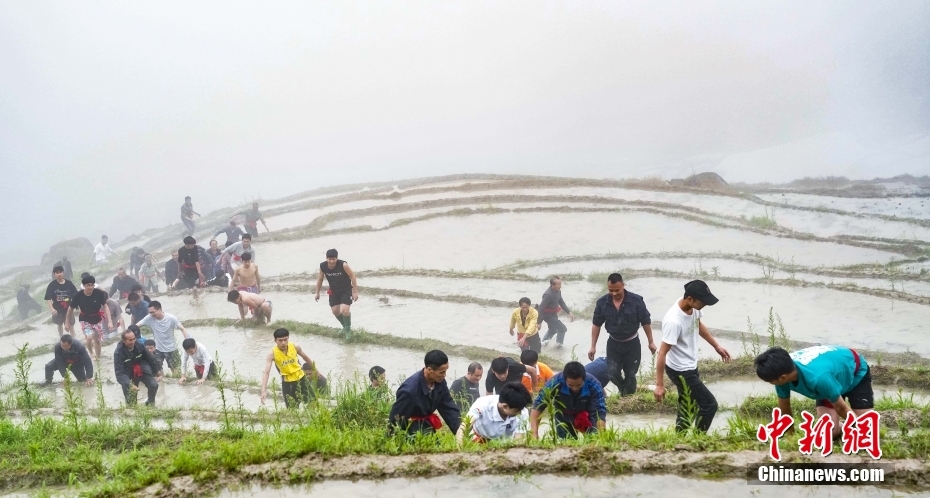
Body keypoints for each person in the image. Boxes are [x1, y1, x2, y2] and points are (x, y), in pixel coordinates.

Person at [654, 280, 730, 433]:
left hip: (690, 365)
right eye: (703, 302)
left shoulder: (691, 308)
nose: (705, 305)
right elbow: (662, 352)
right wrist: (660, 385)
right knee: (709, 405)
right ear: (690, 299)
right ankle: (698, 437)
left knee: (688, 404)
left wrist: (716, 346)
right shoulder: (674, 321)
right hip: (680, 370)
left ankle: (680, 438)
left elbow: (698, 324)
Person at [755, 346, 873, 438]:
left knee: (867, 430)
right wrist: (791, 436)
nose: (770, 383)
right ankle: (840, 427)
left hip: (853, 370)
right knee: (826, 434)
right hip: (829, 376)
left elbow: (841, 408)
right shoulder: (782, 374)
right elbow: (785, 407)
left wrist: (862, 432)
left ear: (783, 378)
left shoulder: (818, 378)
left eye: (769, 381)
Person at [589, 273, 655, 397]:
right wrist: (593, 346)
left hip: (632, 344)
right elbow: (596, 325)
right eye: (610, 290)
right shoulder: (602, 302)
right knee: (612, 374)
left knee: (630, 374)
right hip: (614, 344)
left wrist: (650, 341)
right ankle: (624, 390)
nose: (614, 293)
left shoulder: (636, 301)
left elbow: (646, 322)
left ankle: (627, 397)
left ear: (623, 285)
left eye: (617, 290)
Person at [388, 350, 461, 436]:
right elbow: (395, 419)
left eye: (445, 371)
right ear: (429, 370)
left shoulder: (440, 382)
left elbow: (448, 407)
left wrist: (462, 432)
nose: (445, 375)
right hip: (411, 429)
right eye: (442, 372)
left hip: (426, 425)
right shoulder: (409, 391)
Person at [530, 361, 606, 439]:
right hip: (563, 416)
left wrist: (601, 436)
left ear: (584, 378)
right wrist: (534, 432)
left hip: (588, 415)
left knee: (593, 440)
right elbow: (538, 406)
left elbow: (599, 412)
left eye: (579, 385)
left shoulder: (594, 384)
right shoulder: (554, 382)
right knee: (567, 443)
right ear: (565, 378)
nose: (575, 388)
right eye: (571, 385)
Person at [458, 382, 532, 444]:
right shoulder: (482, 404)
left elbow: (518, 441)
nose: (520, 413)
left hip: (503, 444)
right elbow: (463, 429)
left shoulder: (522, 411)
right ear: (505, 406)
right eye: (517, 411)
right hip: (478, 439)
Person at [259, 328, 317, 408]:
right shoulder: (272, 354)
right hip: (288, 383)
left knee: (313, 402)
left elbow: (305, 357)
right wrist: (263, 390)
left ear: (288, 338)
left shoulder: (295, 346)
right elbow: (266, 372)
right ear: (275, 340)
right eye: (280, 340)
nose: (283, 343)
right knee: (292, 408)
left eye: (285, 339)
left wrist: (316, 370)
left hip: (301, 378)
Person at [135, 300, 192, 376]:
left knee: (176, 372)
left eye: (153, 312)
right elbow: (136, 326)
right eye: (150, 312)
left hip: (171, 349)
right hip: (157, 349)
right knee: (158, 372)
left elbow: (182, 329)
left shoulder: (171, 318)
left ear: (159, 309)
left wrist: (188, 343)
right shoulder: (149, 318)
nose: (151, 314)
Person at [314, 249, 358, 338]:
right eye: (329, 259)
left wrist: (355, 292)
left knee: (345, 310)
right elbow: (320, 279)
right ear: (326, 258)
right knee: (335, 311)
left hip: (346, 290)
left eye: (333, 259)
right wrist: (317, 292)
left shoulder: (343, 265)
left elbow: (353, 276)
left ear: (336, 258)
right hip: (334, 291)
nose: (331, 261)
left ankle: (348, 331)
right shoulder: (323, 266)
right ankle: (345, 327)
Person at [66, 275, 113, 359]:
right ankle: (91, 352)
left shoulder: (99, 293)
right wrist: (67, 322)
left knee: (97, 340)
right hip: (85, 319)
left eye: (92, 285)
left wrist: (110, 321)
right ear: (84, 286)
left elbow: (105, 306)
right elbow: (70, 309)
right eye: (88, 285)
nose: (90, 287)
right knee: (89, 337)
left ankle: (98, 358)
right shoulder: (78, 296)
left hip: (97, 318)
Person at [113, 330, 162, 407]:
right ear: (124, 341)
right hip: (128, 373)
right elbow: (119, 373)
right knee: (131, 403)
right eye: (130, 340)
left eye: (134, 338)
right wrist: (129, 385)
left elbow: (150, 358)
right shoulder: (118, 353)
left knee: (154, 385)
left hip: (141, 369)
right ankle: (132, 409)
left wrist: (156, 371)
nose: (133, 342)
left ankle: (150, 404)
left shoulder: (139, 345)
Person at [538, 277, 575, 348]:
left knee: (552, 330)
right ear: (552, 285)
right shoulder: (548, 295)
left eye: (560, 284)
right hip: (547, 316)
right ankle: (559, 346)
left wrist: (569, 312)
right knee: (562, 329)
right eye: (558, 284)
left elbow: (561, 302)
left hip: (553, 314)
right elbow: (540, 308)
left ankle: (542, 344)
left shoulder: (558, 291)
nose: (560, 286)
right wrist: (539, 322)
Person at [45, 266, 77, 336]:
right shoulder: (52, 285)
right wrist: (52, 309)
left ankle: (74, 340)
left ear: (63, 273)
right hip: (57, 309)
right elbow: (48, 298)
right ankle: (61, 338)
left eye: (60, 272)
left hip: (69, 308)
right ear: (54, 274)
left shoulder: (69, 284)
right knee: (59, 324)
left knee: (71, 325)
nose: (59, 274)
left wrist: (75, 306)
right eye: (57, 273)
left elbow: (76, 295)